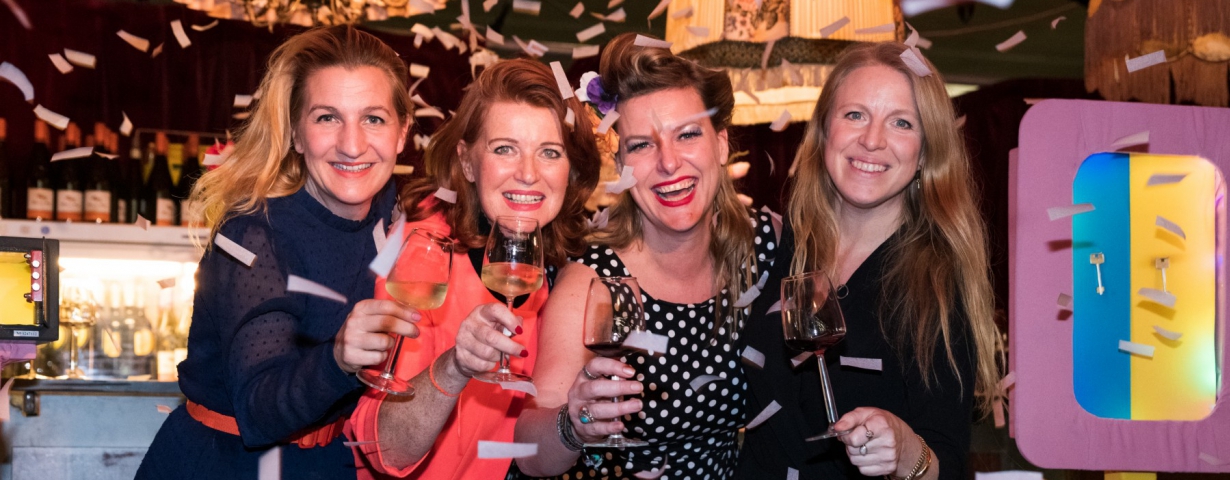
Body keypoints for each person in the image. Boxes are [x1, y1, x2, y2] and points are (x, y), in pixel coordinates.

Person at [137, 25, 417, 479]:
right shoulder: (252, 235)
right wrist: (338, 359)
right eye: (327, 118)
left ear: (402, 132)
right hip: (228, 464)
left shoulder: (390, 207)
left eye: (374, 119)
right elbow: (258, 407)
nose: (352, 145)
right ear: (296, 134)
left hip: (332, 461)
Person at [510, 32, 780, 479]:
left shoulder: (767, 246)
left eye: (687, 134)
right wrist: (572, 425)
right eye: (641, 145)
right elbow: (528, 450)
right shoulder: (592, 280)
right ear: (622, 166)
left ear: (721, 144)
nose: (668, 163)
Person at [736, 42, 1002, 480]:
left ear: (926, 152)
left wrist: (906, 451)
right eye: (855, 115)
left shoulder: (937, 284)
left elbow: (948, 463)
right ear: (824, 130)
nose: (872, 140)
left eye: (901, 122)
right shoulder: (778, 246)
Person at [344, 58, 601, 479]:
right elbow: (383, 446)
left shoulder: (561, 266)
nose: (528, 174)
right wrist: (456, 366)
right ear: (466, 162)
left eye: (550, 152)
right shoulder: (423, 250)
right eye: (504, 149)